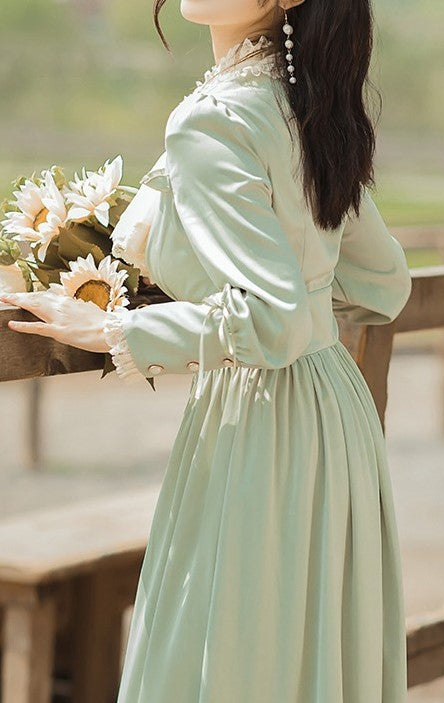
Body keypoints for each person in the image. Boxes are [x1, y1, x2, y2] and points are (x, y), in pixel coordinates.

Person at [1, 0, 412, 699]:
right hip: (333, 419)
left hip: (259, 426)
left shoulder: (214, 119)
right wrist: (298, 305)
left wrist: (111, 329)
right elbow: (383, 282)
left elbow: (270, 315)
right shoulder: (306, 105)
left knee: (232, 658)